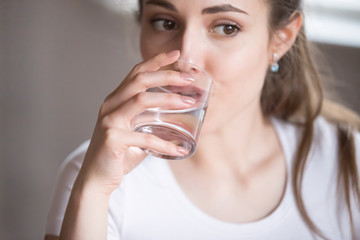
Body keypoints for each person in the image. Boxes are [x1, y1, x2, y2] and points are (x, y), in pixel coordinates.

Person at [45, 0, 360, 239]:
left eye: (226, 27)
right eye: (165, 23)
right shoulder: (96, 178)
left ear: (280, 40)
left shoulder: (350, 162)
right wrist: (94, 190)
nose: (186, 60)